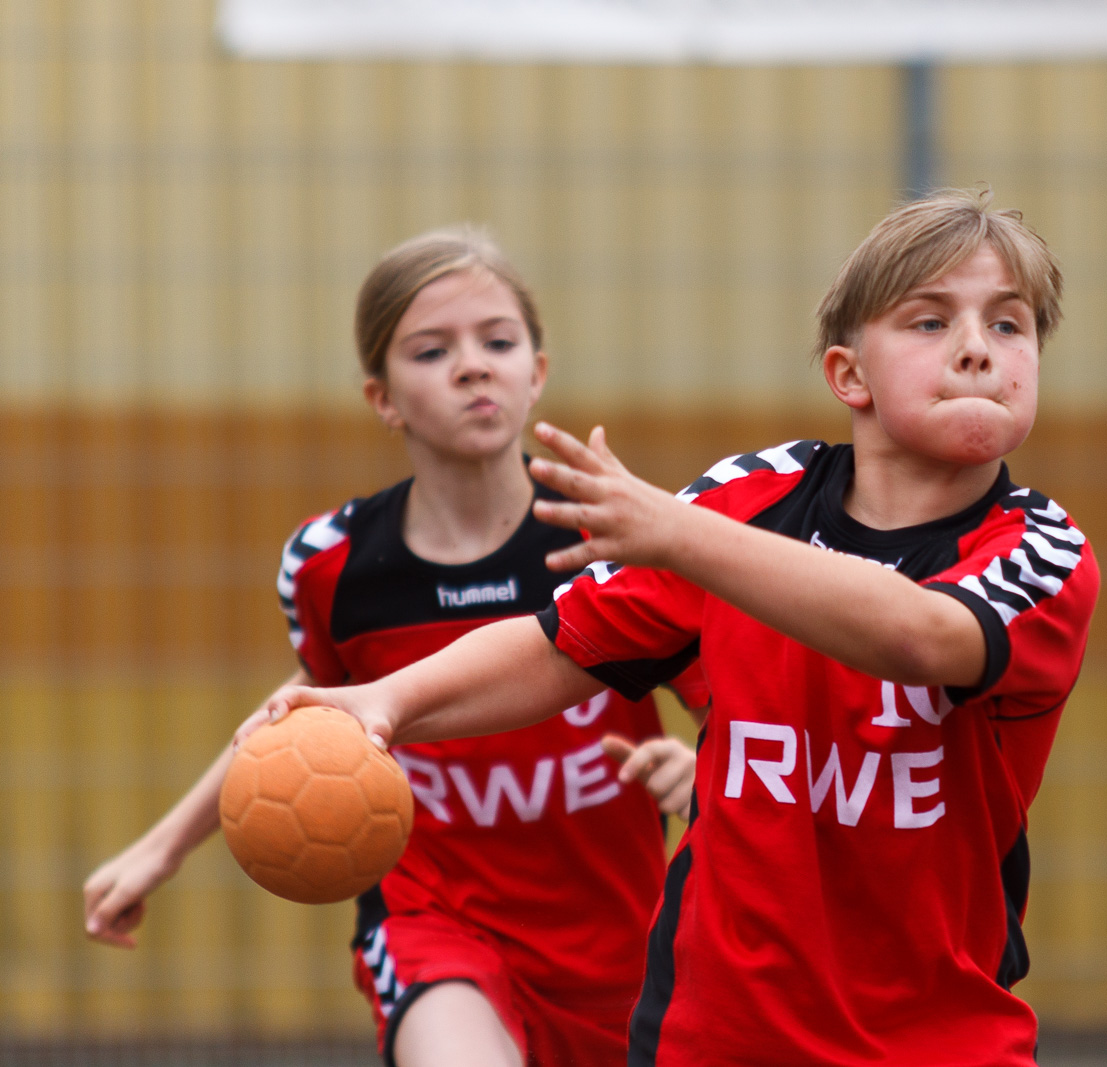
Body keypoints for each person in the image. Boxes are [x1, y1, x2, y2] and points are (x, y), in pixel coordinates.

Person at [258, 190, 1100, 1066]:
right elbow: (561, 643)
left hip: (938, 1037)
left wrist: (684, 536)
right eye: (930, 322)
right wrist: (385, 701)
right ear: (848, 374)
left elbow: (922, 636)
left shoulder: (1043, 550)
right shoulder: (750, 497)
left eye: (1010, 326)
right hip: (716, 1034)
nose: (976, 347)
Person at [83, 227, 704, 1067]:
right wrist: (161, 847)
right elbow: (305, 706)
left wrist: (705, 770)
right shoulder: (335, 564)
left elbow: (738, 698)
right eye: (430, 349)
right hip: (432, 923)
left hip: (619, 945)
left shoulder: (612, 536)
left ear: (537, 372)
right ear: (383, 397)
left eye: (498, 341)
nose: (473, 365)